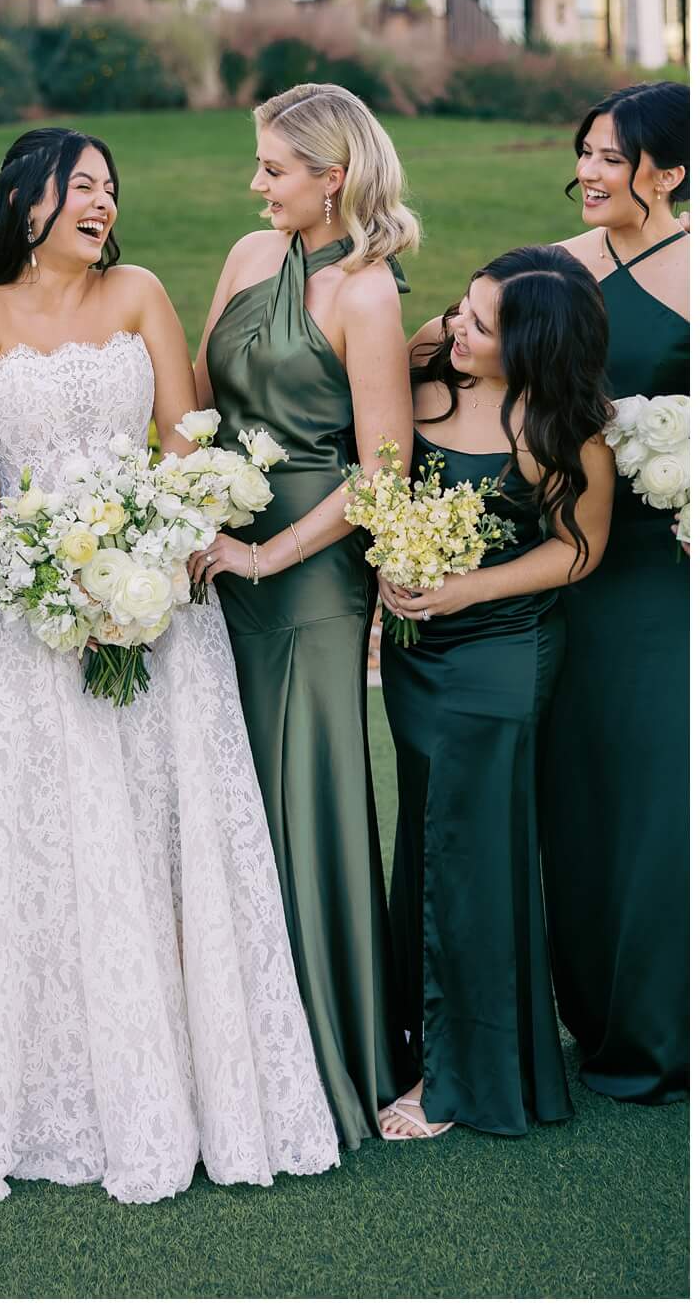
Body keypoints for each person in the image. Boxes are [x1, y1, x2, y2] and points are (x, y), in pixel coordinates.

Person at [0, 127, 338, 1204]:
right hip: (28, 605)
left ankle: (183, 1087)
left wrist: (144, 544)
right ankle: (34, 1090)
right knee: (34, 843)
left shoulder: (140, 292)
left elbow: (184, 431)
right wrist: (43, 565)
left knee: (152, 828)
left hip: (155, 608)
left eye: (109, 186)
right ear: (26, 201)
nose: (102, 201)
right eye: (82, 184)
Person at [190, 81, 415, 1150]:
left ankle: (334, 1056)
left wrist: (264, 553)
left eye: (275, 169)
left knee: (304, 796)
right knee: (224, 788)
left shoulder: (366, 295)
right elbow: (200, 401)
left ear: (334, 177)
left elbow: (383, 470)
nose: (257, 184)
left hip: (312, 577)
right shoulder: (248, 255)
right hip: (213, 555)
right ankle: (233, 1051)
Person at [378, 249, 613, 1139]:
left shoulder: (563, 431)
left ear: (534, 348)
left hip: (503, 652)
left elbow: (577, 550)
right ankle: (414, 1034)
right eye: (461, 309)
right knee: (430, 836)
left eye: (481, 324)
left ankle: (459, 1078)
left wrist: (464, 590)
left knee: (472, 853)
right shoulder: (431, 366)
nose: (456, 327)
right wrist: (395, 567)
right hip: (419, 656)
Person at [542, 83, 690, 1107]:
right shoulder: (556, 267)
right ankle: (591, 1013)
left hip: (662, 576)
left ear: (668, 172)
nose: (589, 171)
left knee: (655, 801)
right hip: (565, 570)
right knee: (578, 798)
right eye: (585, 152)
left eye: (611, 156)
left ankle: (661, 1030)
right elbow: (456, 348)